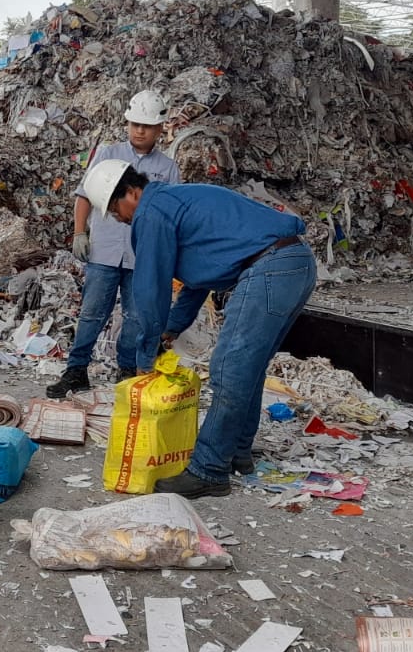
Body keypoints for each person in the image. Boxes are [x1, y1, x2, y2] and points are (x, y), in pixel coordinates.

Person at [84, 160, 317, 499]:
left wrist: (145, 356)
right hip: (294, 263)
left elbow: (152, 289)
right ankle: (237, 451)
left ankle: (208, 469)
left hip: (270, 267)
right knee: (247, 368)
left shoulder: (151, 212)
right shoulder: (177, 204)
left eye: (115, 210)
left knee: (229, 368)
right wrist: (172, 329)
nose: (118, 218)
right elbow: (199, 281)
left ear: (132, 193)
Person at [46, 90, 180, 398]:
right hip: (104, 250)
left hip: (141, 257)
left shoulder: (168, 168)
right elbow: (84, 196)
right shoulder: (108, 154)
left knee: (135, 316)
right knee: (92, 313)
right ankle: (77, 370)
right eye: (134, 124)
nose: (139, 131)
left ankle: (126, 371)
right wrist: (80, 233)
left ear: (160, 129)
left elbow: (170, 215)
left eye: (146, 126)